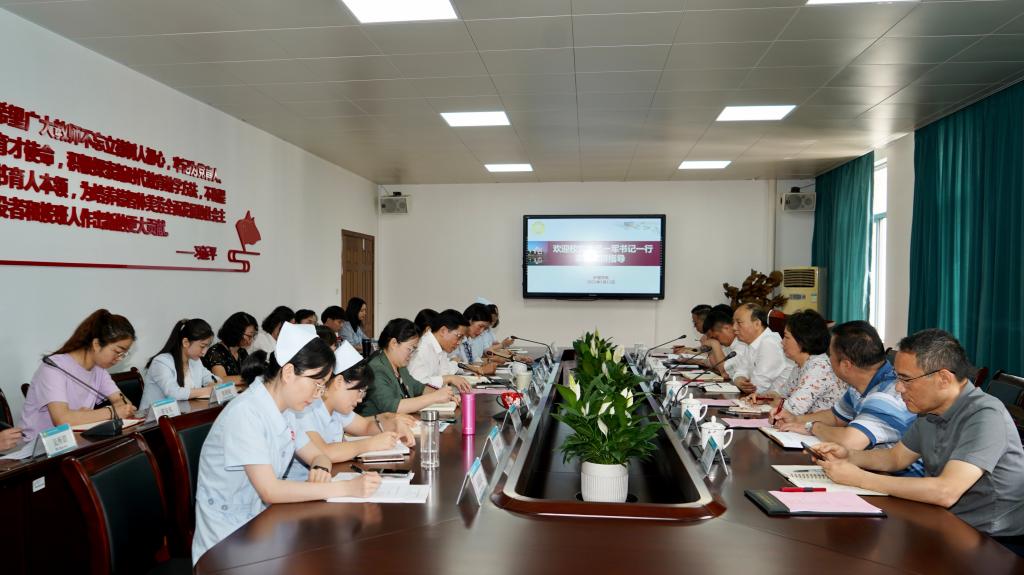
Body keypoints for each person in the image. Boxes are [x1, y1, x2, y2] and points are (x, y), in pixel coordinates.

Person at [815, 329, 1024, 551]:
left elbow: (946, 491)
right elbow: (895, 458)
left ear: (943, 379)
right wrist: (849, 456)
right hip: (945, 522)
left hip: (993, 542)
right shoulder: (930, 411)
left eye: (906, 379)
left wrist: (859, 478)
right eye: (897, 377)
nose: (898, 388)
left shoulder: (985, 415)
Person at [192, 323, 381, 564]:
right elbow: (270, 490)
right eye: (317, 384)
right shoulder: (246, 412)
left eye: (322, 386)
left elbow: (318, 455)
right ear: (289, 372)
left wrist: (320, 468)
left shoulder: (287, 410)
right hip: (227, 540)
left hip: (264, 523)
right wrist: (347, 488)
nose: (318, 395)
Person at [773, 321, 921, 466]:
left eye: (830, 355)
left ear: (845, 365)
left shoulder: (888, 394)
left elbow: (850, 441)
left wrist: (813, 427)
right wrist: (797, 419)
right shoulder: (860, 384)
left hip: (895, 476)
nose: (828, 359)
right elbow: (836, 417)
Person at [287, 342, 416, 480]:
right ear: (339, 382)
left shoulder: (336, 408)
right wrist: (370, 444)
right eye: (359, 391)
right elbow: (324, 451)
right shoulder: (306, 407)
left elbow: (365, 426)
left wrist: (394, 425)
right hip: (302, 483)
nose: (360, 399)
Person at [19, 309, 136, 441]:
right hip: (38, 447)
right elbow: (62, 420)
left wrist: (89, 415)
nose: (119, 358)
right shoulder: (53, 367)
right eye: (118, 351)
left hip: (77, 442)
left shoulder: (99, 369)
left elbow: (125, 404)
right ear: (97, 344)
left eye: (123, 354)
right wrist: (111, 412)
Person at [755, 310, 845, 415]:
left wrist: (772, 402)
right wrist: (764, 397)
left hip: (821, 424)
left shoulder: (819, 367)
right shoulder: (800, 366)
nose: (782, 342)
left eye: (786, 337)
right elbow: (783, 394)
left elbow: (794, 408)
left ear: (803, 340)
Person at [362, 319, 459, 416]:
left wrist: (445, 395)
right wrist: (434, 397)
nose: (411, 355)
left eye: (414, 350)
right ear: (394, 343)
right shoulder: (376, 369)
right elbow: (392, 407)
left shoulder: (400, 367)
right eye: (410, 349)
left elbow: (419, 388)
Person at [140, 318, 218, 410]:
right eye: (202, 346)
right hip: (154, 416)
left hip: (185, 413)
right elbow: (173, 393)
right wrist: (206, 391)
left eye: (207, 347)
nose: (204, 352)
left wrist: (213, 384)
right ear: (185, 342)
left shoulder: (195, 361)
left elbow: (215, 380)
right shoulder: (161, 362)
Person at [730, 303, 794, 395]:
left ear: (757, 324)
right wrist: (739, 380)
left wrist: (743, 384)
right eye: (733, 322)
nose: (734, 327)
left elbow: (758, 387)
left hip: (780, 400)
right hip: (762, 398)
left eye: (739, 323)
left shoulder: (769, 343)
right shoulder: (749, 343)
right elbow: (740, 371)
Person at [408, 309, 473, 393]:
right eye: (459, 336)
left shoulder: (441, 348)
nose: (459, 343)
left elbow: (445, 372)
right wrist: (449, 378)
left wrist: (452, 377)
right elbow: (417, 385)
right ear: (443, 331)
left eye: (462, 338)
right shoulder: (421, 348)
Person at [203, 312, 257, 385]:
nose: (251, 340)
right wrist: (250, 378)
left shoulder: (242, 351)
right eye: (249, 336)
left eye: (253, 336)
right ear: (236, 333)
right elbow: (221, 380)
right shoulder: (215, 351)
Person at [699, 308, 747, 378]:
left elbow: (725, 373)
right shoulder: (728, 344)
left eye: (716, 337)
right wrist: (710, 349)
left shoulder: (742, 343)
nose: (716, 341)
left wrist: (714, 344)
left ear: (726, 328)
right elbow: (716, 366)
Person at [451, 302, 497, 375]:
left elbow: (474, 359)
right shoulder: (454, 338)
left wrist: (489, 363)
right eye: (480, 326)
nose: (481, 331)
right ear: (470, 320)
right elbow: (454, 364)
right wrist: (480, 369)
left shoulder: (469, 340)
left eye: (485, 328)